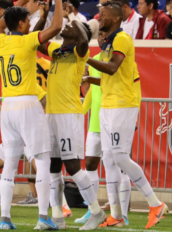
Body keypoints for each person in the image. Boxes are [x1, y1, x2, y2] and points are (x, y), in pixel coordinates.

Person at [85, 1, 168, 229]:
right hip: (109, 104)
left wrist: (84, 58)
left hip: (123, 104)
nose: (98, 18)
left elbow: (112, 67)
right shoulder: (108, 43)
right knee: (109, 160)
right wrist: (87, 79)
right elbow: (109, 78)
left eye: (102, 15)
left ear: (114, 18)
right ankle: (116, 215)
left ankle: (155, 204)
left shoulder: (122, 39)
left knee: (120, 157)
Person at [0, 0, 64, 229]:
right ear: (22, 24)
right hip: (27, 103)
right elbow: (57, 26)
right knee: (42, 160)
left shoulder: (1, 41)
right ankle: (43, 218)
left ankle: (5, 219)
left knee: (10, 164)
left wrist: (19, 5)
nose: (29, 23)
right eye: (27, 20)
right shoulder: (28, 40)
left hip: (8, 105)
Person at [36, 18, 107, 230]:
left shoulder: (80, 52)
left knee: (73, 166)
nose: (65, 27)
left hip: (69, 114)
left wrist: (71, 19)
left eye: (70, 27)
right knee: (53, 167)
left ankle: (96, 212)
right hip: (52, 113)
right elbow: (36, 39)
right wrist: (42, 16)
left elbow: (85, 37)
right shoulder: (57, 49)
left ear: (78, 34)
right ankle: (57, 217)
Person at [75, 30, 142, 226]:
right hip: (97, 121)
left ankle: (122, 212)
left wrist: (132, 117)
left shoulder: (124, 62)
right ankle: (92, 210)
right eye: (101, 35)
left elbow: (134, 89)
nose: (103, 38)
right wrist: (80, 111)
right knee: (91, 166)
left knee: (119, 165)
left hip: (117, 116)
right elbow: (92, 92)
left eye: (106, 35)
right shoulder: (95, 60)